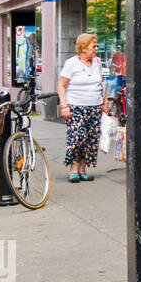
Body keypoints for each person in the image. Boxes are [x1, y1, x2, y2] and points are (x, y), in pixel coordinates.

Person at [57, 33, 110, 183]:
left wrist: (105, 102)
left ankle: (82, 169)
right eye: (93, 46)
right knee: (77, 137)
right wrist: (64, 106)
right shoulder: (71, 63)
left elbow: (102, 83)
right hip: (76, 106)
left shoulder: (98, 62)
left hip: (95, 106)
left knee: (91, 139)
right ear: (83, 48)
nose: (96, 49)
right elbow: (61, 85)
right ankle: (73, 169)